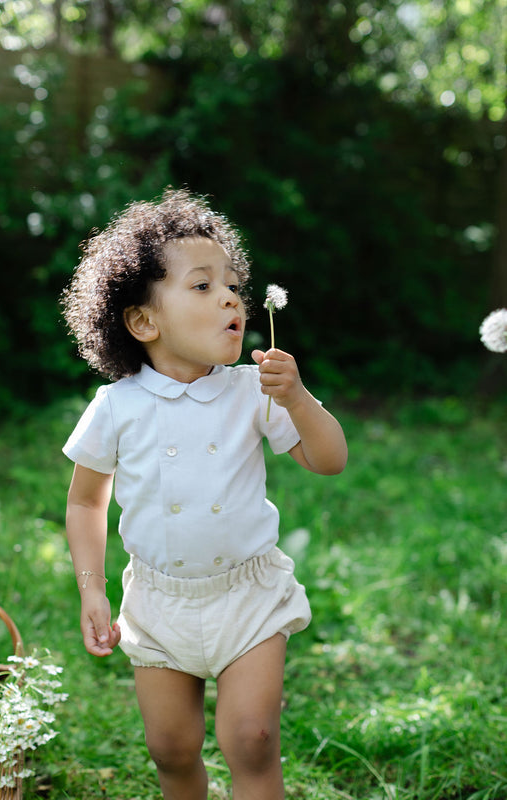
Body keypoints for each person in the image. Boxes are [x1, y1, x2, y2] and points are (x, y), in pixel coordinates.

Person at [61, 188, 347, 800]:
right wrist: (92, 588)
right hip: (158, 606)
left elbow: (329, 460)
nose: (230, 299)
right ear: (143, 321)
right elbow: (86, 501)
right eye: (202, 286)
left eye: (232, 286)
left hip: (248, 596)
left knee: (252, 740)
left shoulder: (254, 391)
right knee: (170, 749)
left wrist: (297, 397)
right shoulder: (117, 407)